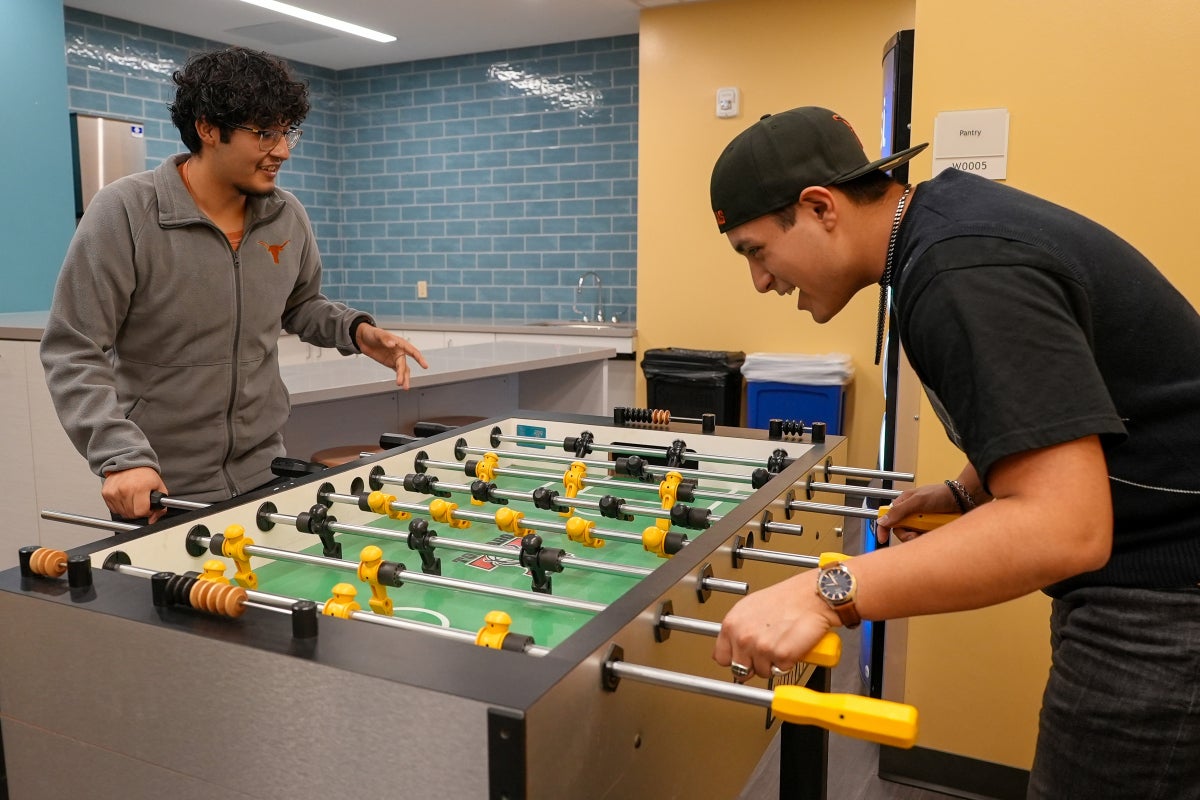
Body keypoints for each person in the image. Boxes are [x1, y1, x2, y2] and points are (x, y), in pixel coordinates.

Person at [708, 106, 1200, 797]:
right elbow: (1056, 404)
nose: (761, 280)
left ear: (820, 208)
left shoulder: (956, 267)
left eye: (755, 251)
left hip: (1166, 593)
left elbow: (1065, 528)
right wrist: (968, 489)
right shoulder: (943, 232)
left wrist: (828, 593)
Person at [41, 47, 428, 525]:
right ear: (207, 128)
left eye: (287, 132)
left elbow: (300, 304)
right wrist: (121, 456)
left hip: (266, 473)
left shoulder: (286, 215)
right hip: (161, 487)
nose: (282, 150)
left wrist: (355, 331)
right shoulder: (125, 212)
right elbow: (73, 349)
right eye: (265, 133)